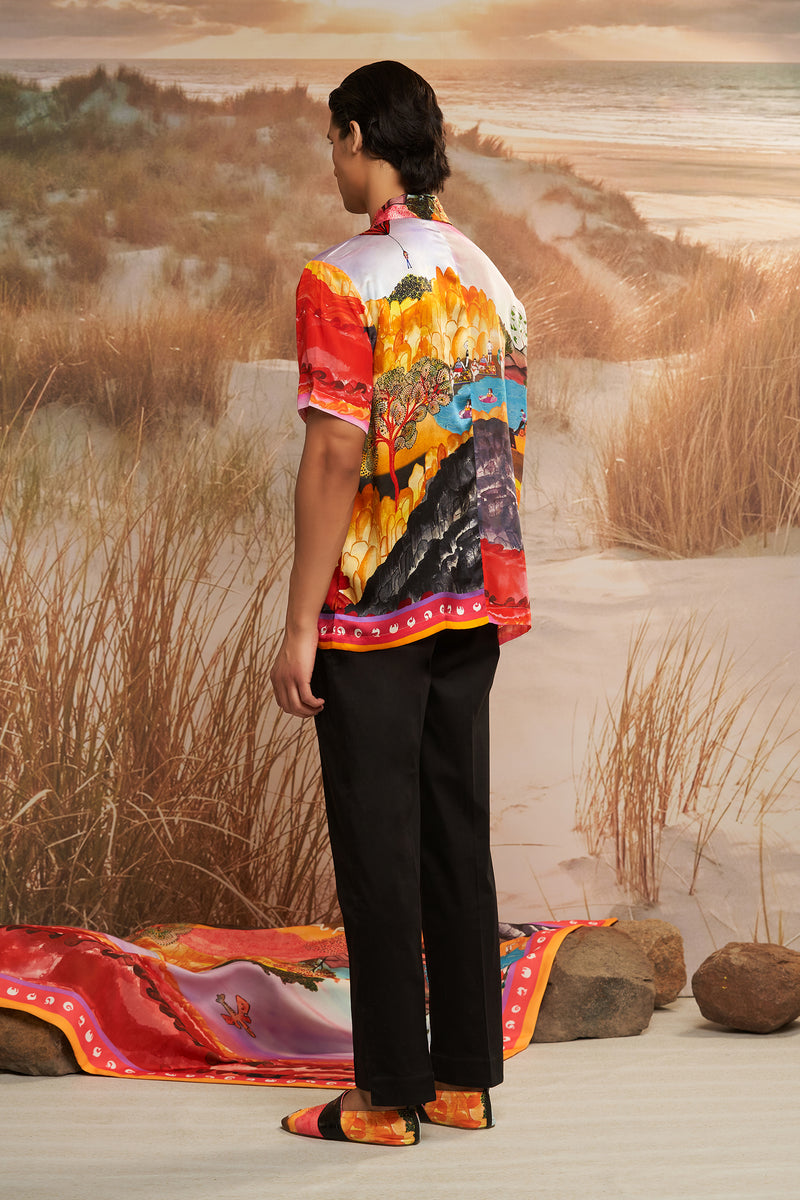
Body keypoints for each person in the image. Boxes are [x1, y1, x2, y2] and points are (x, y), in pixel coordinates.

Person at [270, 60, 530, 1148]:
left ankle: (383, 1097)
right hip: (472, 597)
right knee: (453, 834)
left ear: (356, 136)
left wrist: (300, 626)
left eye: (332, 143)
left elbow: (335, 455)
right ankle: (464, 1079)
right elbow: (501, 442)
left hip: (374, 611)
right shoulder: (491, 277)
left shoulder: (342, 277)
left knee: (377, 849)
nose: (330, 164)